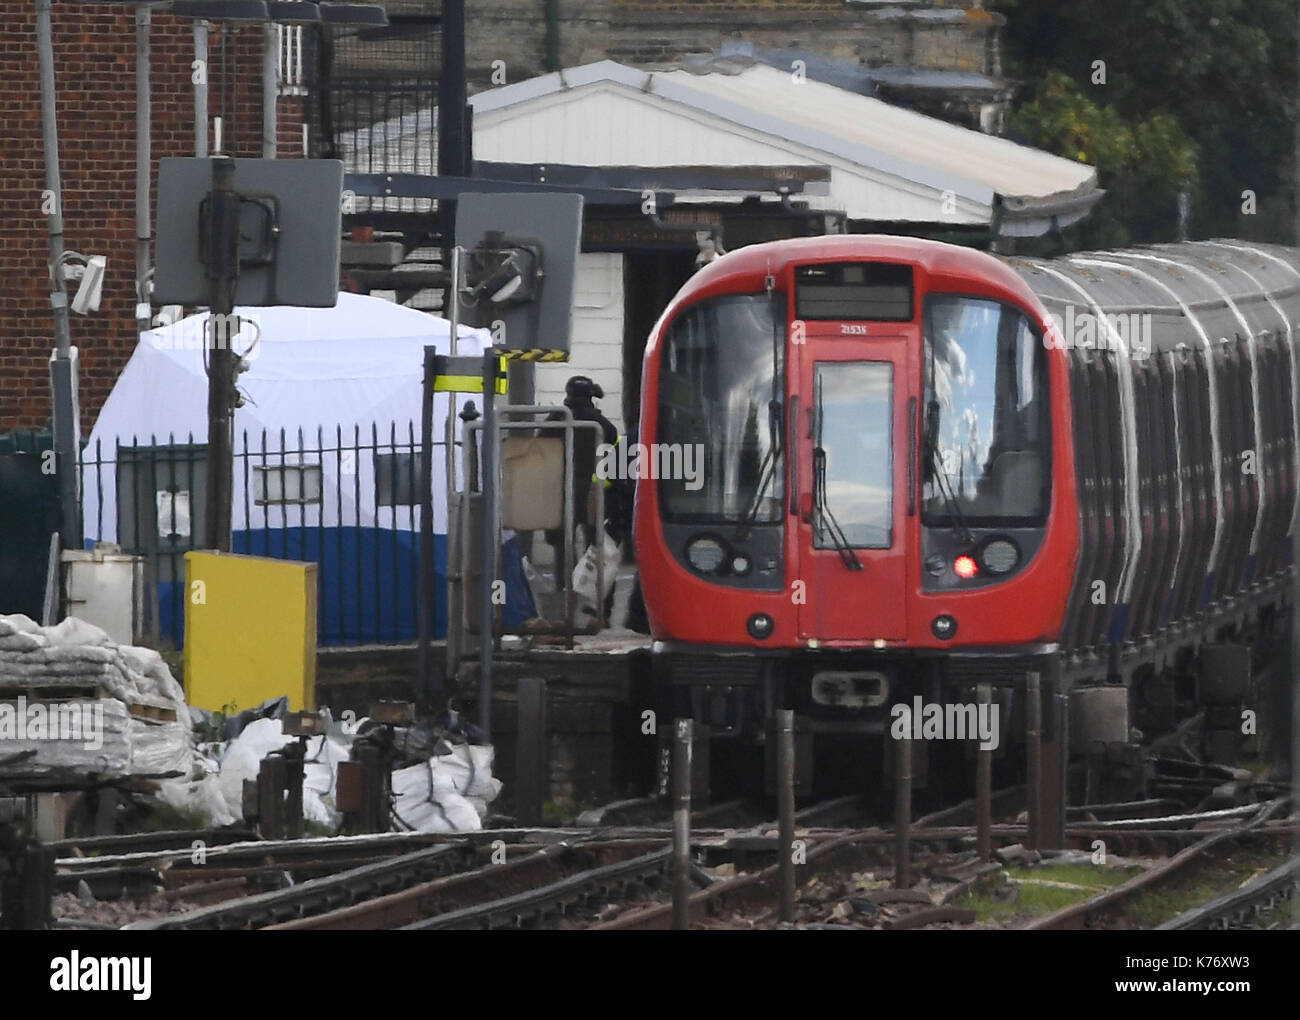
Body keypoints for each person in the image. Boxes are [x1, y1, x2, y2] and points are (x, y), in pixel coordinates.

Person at [543, 376, 617, 583]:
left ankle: (564, 587)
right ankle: (590, 587)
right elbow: (612, 448)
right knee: (593, 542)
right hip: (592, 490)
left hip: (560, 488)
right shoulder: (601, 424)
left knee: (562, 544)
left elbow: (540, 449)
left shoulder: (556, 420)